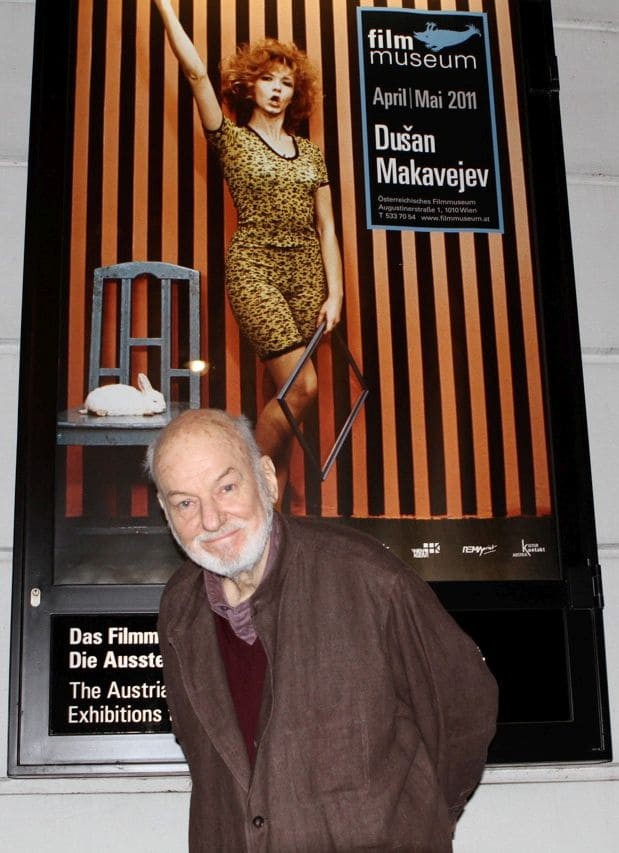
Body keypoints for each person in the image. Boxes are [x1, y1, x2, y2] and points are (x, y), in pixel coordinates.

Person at [147, 408, 498, 852]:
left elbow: (463, 711)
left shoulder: (370, 580)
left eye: (227, 488)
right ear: (166, 512)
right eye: (185, 503)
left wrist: (420, 820)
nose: (211, 520)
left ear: (267, 479)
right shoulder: (178, 608)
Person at [153, 0, 344, 498]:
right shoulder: (232, 140)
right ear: (249, 85)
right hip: (255, 268)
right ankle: (250, 493)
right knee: (302, 387)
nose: (277, 90)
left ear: (296, 92)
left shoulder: (312, 154)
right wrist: (165, 8)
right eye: (267, 80)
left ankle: (270, 511)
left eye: (287, 82)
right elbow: (196, 74)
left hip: (308, 278)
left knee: (287, 396)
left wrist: (336, 293)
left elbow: (327, 227)